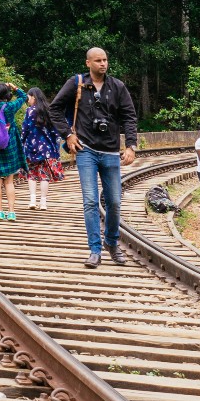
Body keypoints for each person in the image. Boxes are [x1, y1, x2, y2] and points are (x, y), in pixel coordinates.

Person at [53, 47, 139, 268]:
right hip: (86, 151)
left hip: (111, 151)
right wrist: (69, 135)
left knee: (114, 202)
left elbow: (129, 116)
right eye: (98, 60)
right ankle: (95, 250)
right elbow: (54, 109)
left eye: (105, 60)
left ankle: (111, 242)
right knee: (90, 201)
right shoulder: (76, 83)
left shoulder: (117, 86)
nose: (103, 64)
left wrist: (130, 145)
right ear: (88, 63)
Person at [0, 83, 27, 219]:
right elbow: (24, 97)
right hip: (9, 145)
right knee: (9, 181)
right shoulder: (9, 107)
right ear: (6, 94)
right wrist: (14, 87)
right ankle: (11, 212)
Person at [19, 82, 65, 210]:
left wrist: (21, 143)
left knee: (31, 175)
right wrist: (56, 148)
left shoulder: (30, 111)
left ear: (33, 97)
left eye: (28, 98)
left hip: (31, 148)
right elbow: (55, 132)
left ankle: (32, 200)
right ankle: (43, 203)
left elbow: (25, 129)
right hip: (47, 149)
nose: (27, 101)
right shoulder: (49, 110)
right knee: (44, 176)